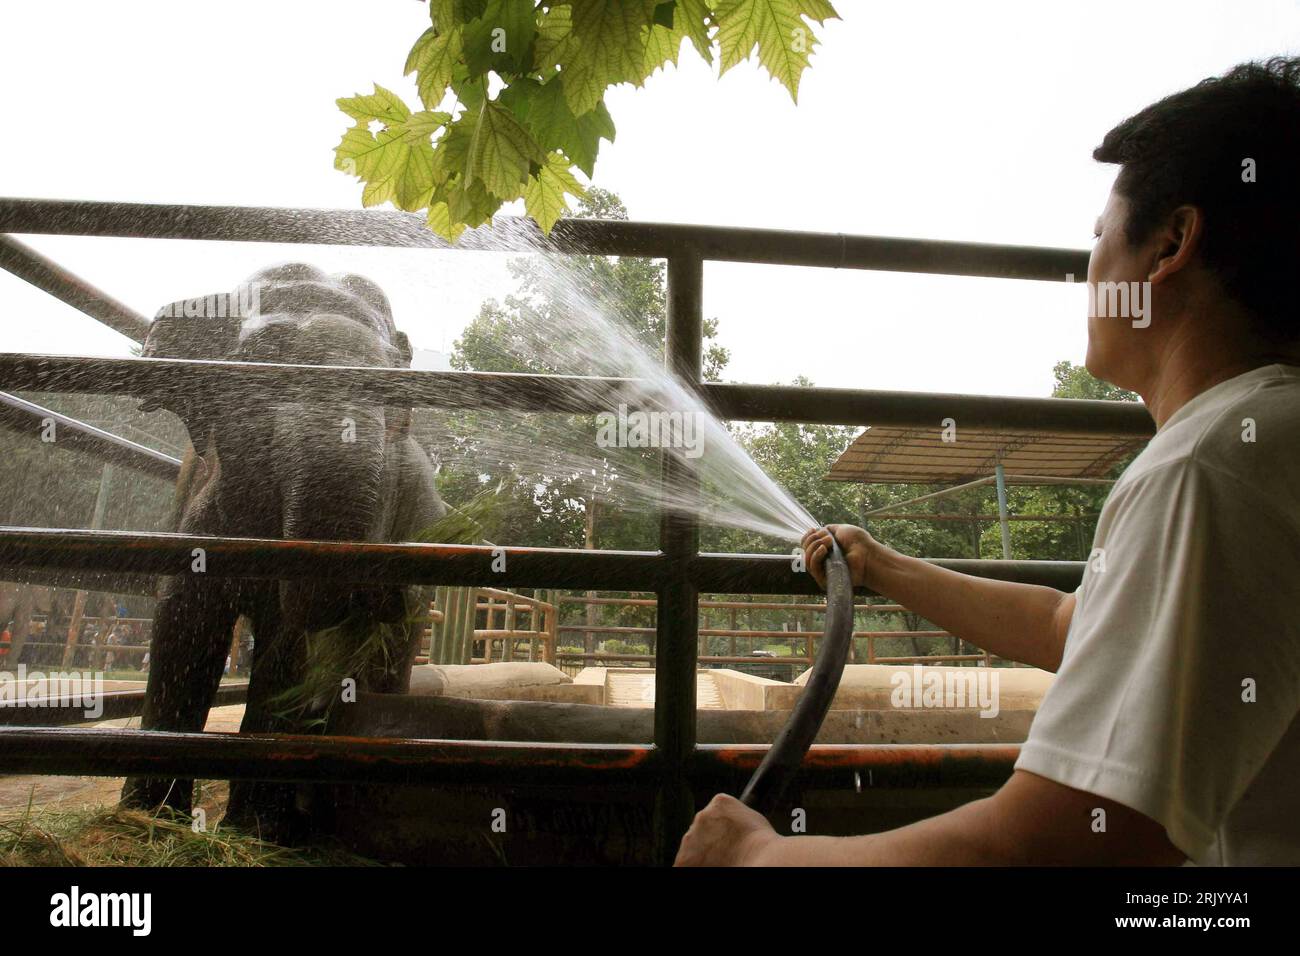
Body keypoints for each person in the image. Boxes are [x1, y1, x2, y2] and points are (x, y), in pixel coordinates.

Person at [676, 57, 1300, 867]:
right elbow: (1064, 627)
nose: (1088, 273)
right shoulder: (1266, 439)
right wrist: (885, 566)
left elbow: (1056, 845)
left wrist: (759, 859)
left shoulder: (1207, 469)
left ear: (1171, 244)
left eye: (1099, 238)